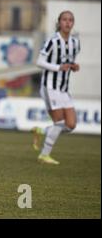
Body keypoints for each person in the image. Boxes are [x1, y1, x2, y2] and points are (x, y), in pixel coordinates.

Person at [32, 10, 81, 165]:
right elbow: (39, 62)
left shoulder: (75, 43)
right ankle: (44, 155)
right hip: (50, 87)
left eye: (70, 20)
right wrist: (58, 67)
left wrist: (73, 66)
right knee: (59, 123)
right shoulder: (52, 41)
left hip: (63, 89)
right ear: (59, 22)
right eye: (65, 20)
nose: (68, 23)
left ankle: (42, 131)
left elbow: (68, 61)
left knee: (71, 125)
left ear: (73, 23)